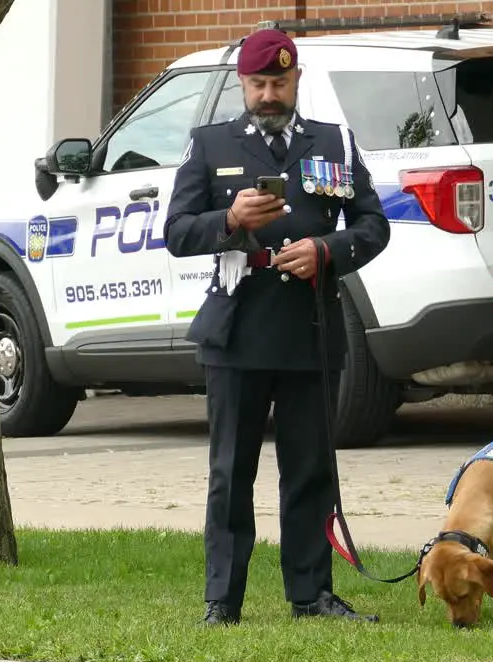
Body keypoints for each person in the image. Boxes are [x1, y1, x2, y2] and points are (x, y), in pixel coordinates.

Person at [163, 28, 390, 626]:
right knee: (231, 473)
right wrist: (230, 218)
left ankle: (311, 595)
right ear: (242, 83)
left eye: (279, 83)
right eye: (258, 83)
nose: (269, 95)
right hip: (238, 328)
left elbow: (373, 226)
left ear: (297, 80)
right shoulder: (209, 145)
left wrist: (327, 248)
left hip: (310, 327)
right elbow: (178, 231)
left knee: (311, 468)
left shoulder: (333, 143)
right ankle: (223, 601)